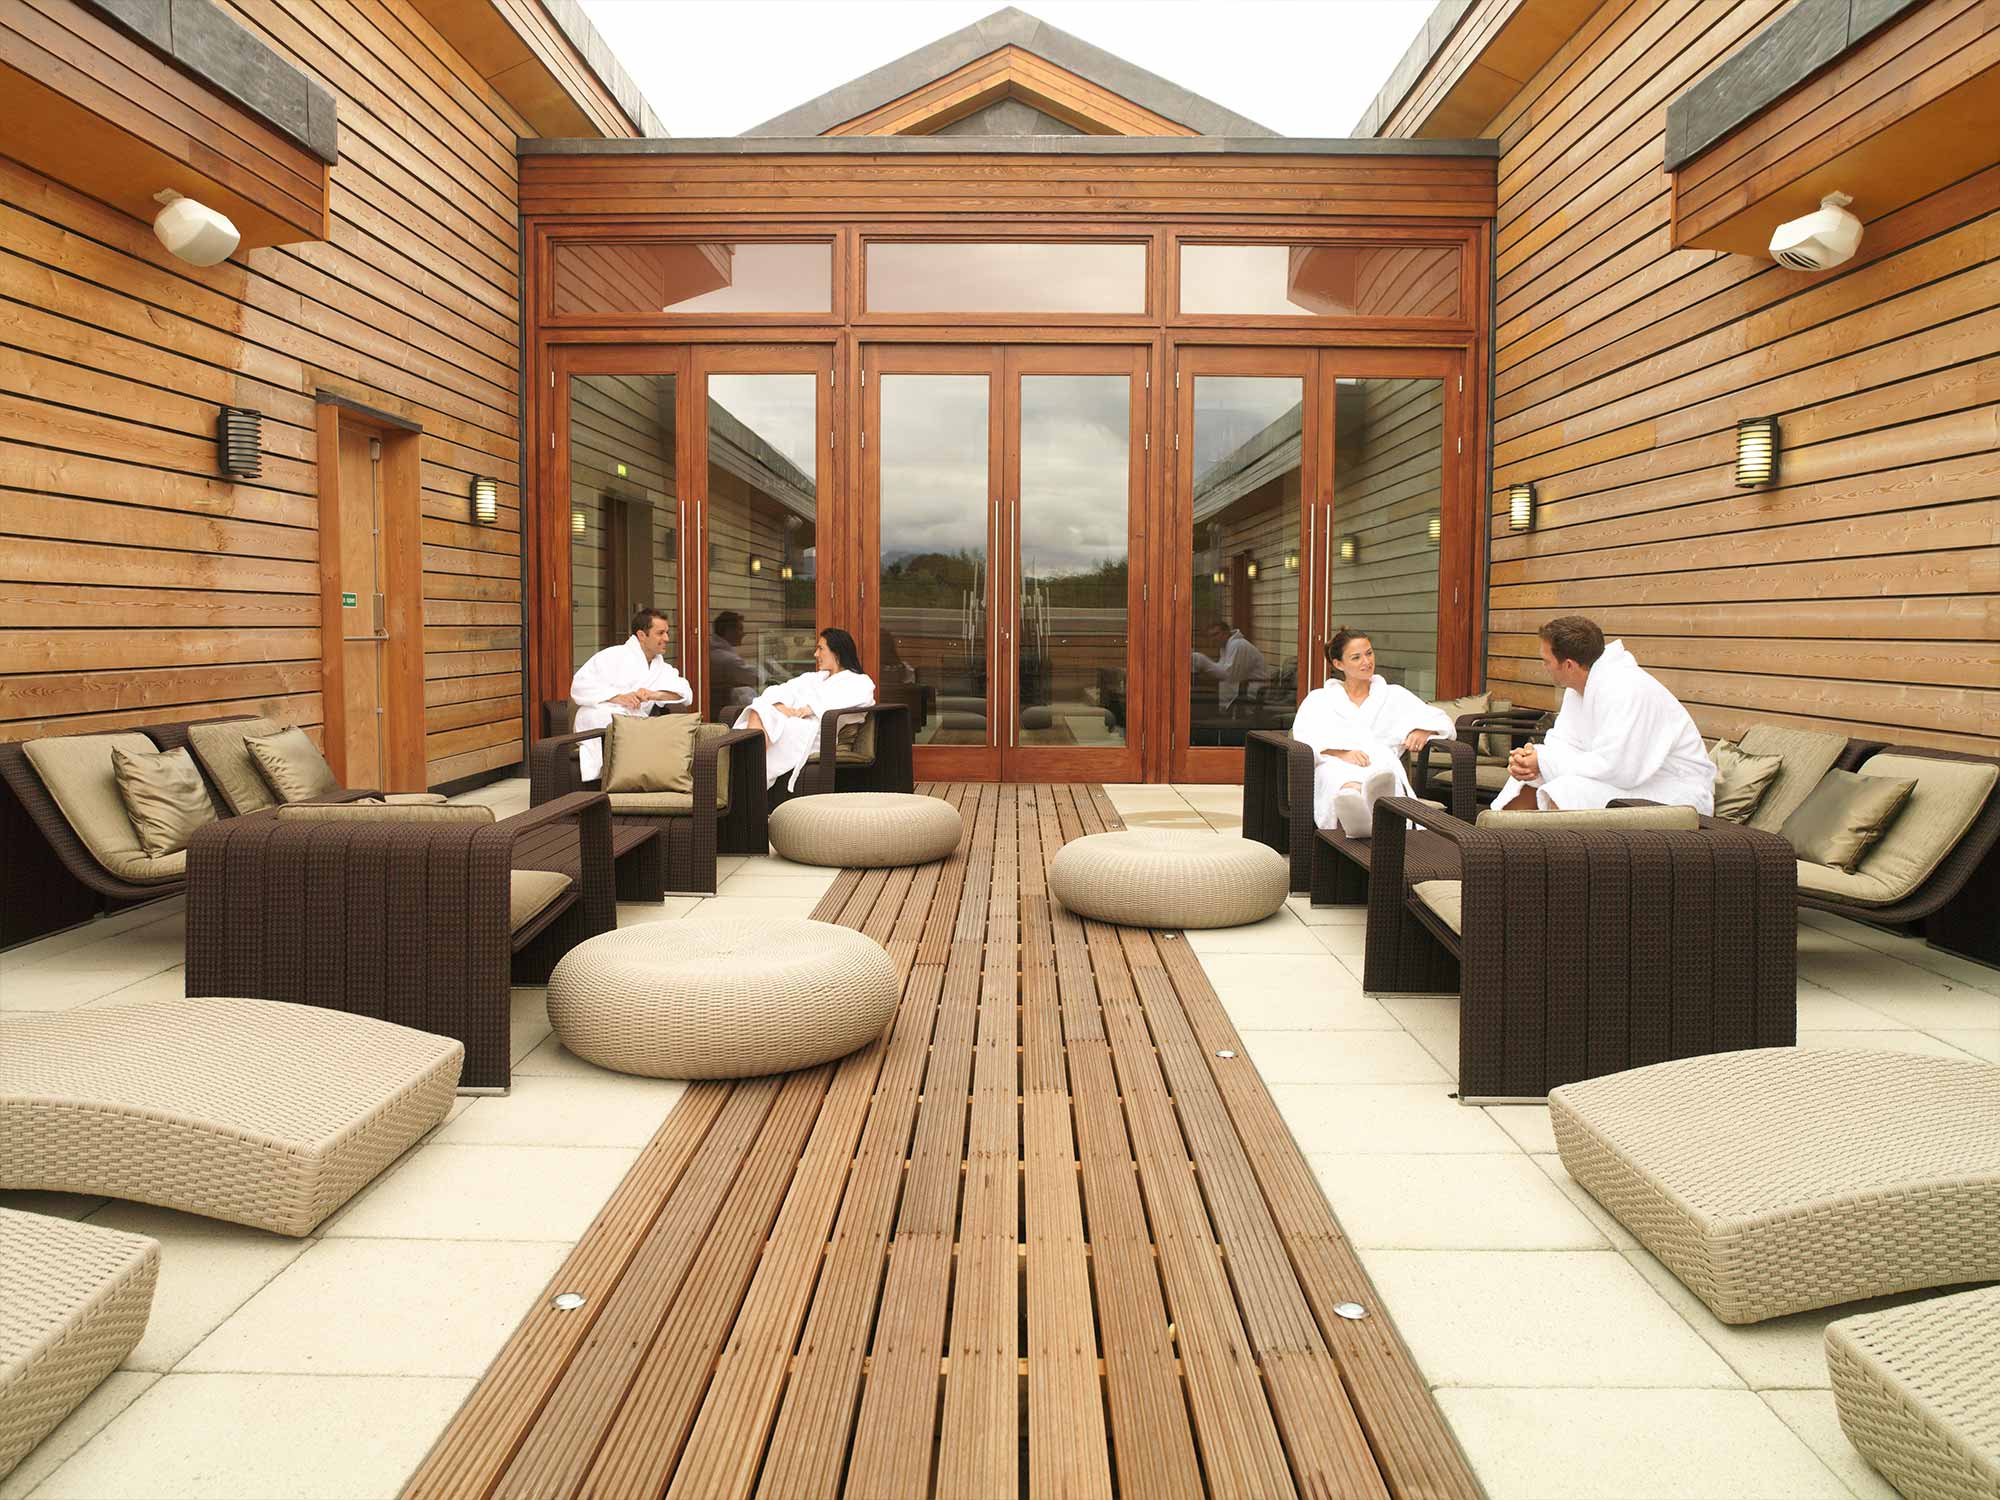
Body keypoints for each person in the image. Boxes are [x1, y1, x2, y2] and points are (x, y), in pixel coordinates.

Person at [1496, 616, 1716, 813]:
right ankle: (1502, 840)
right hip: (1625, 780)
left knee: (1567, 792)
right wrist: (1531, 758)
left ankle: (1549, 846)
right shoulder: (1578, 689)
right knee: (1525, 780)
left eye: (1547, 661)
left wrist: (1544, 761)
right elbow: (1564, 743)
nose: (1544, 666)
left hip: (1675, 789)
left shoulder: (1627, 689)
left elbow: (1620, 769)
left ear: (1569, 665)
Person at [1291, 627, 1453, 837]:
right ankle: (1360, 815)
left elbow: (1442, 720)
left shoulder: (1394, 695)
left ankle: (1365, 818)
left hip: (1379, 764)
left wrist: (1424, 730)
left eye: (1369, 653)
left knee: (1380, 777)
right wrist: (1341, 753)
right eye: (1356, 657)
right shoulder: (1319, 699)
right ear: (1338, 664)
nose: (1366, 662)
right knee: (1341, 782)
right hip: (1333, 763)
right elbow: (1304, 738)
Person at [735, 626, 876, 791]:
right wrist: (781, 706)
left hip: (817, 733)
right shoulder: (813, 679)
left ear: (837, 652)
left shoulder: (859, 681)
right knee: (759, 709)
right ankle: (753, 775)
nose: (816, 654)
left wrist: (812, 708)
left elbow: (863, 698)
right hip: (793, 723)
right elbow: (780, 689)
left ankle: (749, 778)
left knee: (759, 718)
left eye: (821, 649)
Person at [569, 606, 692, 781]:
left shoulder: (661, 668)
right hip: (603, 718)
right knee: (606, 718)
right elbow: (580, 686)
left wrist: (653, 694)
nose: (666, 638)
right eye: (660, 633)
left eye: (667, 632)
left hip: (637, 724)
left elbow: (685, 693)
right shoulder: (611, 656)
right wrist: (619, 697)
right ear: (641, 635)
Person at [1192, 621, 1270, 712]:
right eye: (1211, 636)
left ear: (1226, 632)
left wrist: (1201, 660)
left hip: (1253, 694)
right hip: (1243, 693)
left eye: (1216, 634)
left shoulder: (1237, 645)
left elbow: (1228, 675)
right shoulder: (1226, 646)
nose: (1213, 639)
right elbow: (1221, 669)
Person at [708, 610, 758, 720]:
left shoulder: (714, 651)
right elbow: (754, 678)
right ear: (729, 631)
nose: (743, 633)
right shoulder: (727, 659)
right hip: (723, 716)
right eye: (740, 629)